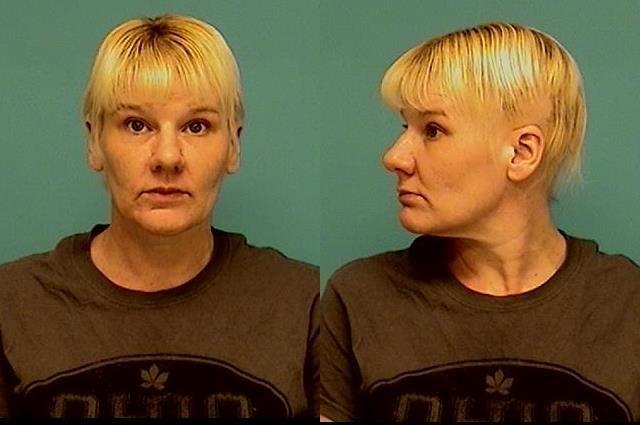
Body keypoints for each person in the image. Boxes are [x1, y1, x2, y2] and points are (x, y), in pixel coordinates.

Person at [0, 15, 318, 419]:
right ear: (94, 141)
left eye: (196, 126)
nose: (167, 157)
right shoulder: (11, 304)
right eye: (136, 125)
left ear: (234, 145)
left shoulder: (305, 303)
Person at [321, 22, 640, 422]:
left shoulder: (628, 306)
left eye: (432, 130)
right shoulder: (359, 298)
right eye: (406, 127)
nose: (395, 157)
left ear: (522, 153)